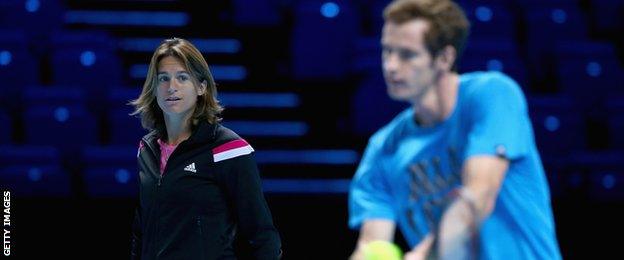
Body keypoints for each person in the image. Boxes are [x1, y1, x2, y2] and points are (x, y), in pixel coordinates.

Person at [348, 0, 562, 259]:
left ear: (444, 58)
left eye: (407, 54)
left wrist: (422, 255)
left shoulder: (492, 95)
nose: (390, 66)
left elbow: (477, 197)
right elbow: (371, 244)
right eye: (387, 51)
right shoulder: (382, 149)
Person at [129, 38, 281, 259]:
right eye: (163, 78)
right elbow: (140, 233)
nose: (171, 87)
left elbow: (263, 237)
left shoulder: (229, 150)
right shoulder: (146, 149)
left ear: (201, 86)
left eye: (182, 77)